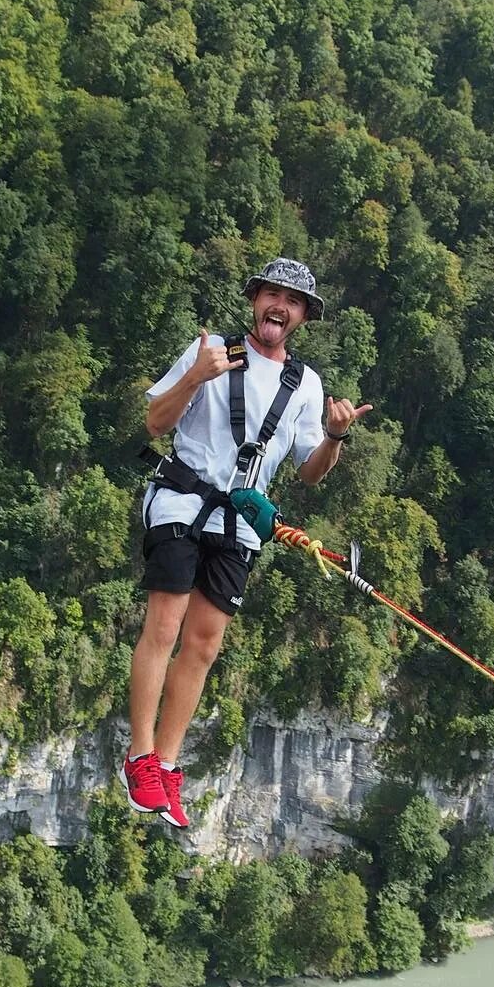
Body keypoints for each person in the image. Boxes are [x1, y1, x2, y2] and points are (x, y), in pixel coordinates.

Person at [123, 258, 370, 829]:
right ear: (255, 300)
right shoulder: (211, 352)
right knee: (164, 625)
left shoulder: (304, 384)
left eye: (292, 300)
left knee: (204, 646)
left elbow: (310, 471)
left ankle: (167, 764)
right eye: (271, 295)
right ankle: (139, 756)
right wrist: (193, 378)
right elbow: (155, 424)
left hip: (240, 520)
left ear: (302, 316)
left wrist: (334, 435)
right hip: (184, 498)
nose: (278, 307)